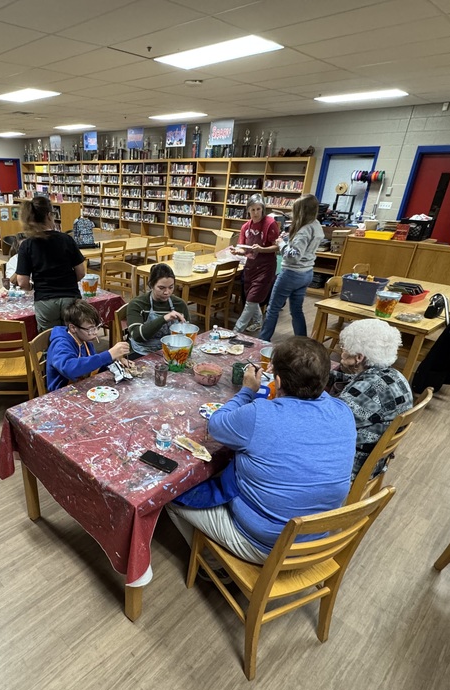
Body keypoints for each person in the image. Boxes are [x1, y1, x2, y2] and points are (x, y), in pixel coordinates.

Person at [166, 337, 356, 564]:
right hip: (319, 538)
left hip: (268, 547)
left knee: (169, 495)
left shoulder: (260, 414)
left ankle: (212, 564)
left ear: (277, 380)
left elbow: (216, 425)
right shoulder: (343, 411)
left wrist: (247, 390)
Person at [329, 319, 414, 478]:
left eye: (344, 348)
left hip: (351, 467)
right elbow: (351, 381)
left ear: (358, 357)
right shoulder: (391, 375)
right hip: (375, 457)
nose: (342, 351)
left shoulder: (367, 391)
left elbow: (325, 424)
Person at [14, 196, 86, 331]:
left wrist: (32, 287)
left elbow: (22, 282)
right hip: (70, 297)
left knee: (50, 340)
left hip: (45, 300)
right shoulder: (66, 239)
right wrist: (67, 281)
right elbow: (81, 272)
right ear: (48, 216)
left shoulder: (27, 245)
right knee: (75, 337)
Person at [259, 194, 324, 341]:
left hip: (292, 274)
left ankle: (262, 341)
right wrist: (288, 239)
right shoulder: (316, 225)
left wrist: (281, 243)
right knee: (296, 310)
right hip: (306, 273)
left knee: (272, 309)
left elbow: (293, 256)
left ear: (301, 212)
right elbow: (303, 247)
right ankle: (302, 341)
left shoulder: (303, 230)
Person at [46, 300, 131, 392]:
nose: (95, 333)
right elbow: (70, 369)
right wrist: (109, 354)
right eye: (90, 329)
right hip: (61, 392)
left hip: (81, 384)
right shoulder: (60, 345)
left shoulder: (85, 338)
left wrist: (115, 361)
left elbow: (92, 364)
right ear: (73, 328)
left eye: (96, 327)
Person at [233, 194, 280, 334]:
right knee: (251, 297)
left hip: (265, 266)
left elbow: (277, 247)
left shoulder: (270, 223)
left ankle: (236, 330)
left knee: (252, 299)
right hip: (251, 266)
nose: (255, 213)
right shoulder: (245, 227)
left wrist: (262, 249)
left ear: (263, 209)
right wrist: (237, 251)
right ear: (248, 210)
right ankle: (258, 321)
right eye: (252, 209)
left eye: (258, 209)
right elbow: (243, 248)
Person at [126, 263, 191, 356]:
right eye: (161, 288)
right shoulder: (138, 304)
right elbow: (137, 336)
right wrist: (164, 319)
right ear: (151, 285)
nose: (167, 292)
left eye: (171, 287)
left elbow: (188, 333)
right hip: (142, 352)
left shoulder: (179, 304)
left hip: (171, 351)